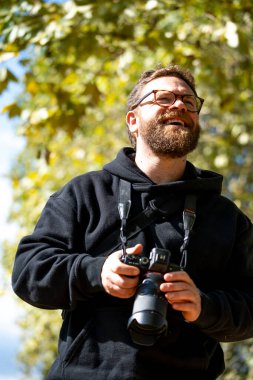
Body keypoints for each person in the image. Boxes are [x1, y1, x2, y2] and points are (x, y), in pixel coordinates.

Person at [12, 64, 253, 380]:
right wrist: (97, 272)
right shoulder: (85, 192)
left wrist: (202, 306)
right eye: (163, 97)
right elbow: (29, 270)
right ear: (133, 120)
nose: (179, 105)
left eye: (189, 101)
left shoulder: (226, 217)